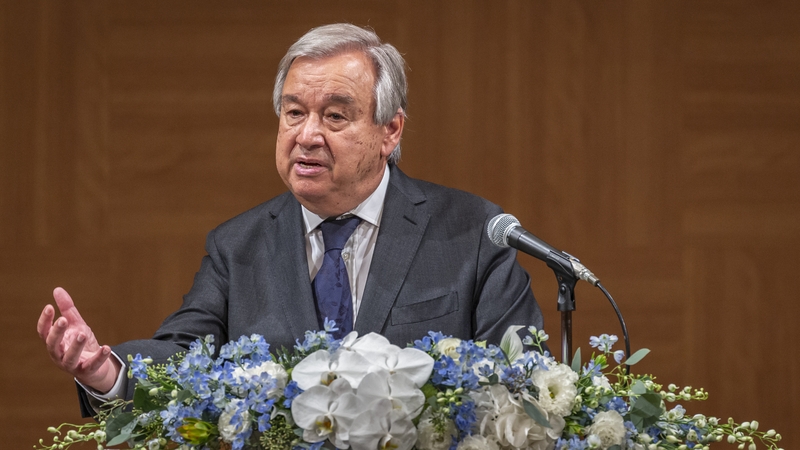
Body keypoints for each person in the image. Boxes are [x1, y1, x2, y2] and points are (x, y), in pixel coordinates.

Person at [36, 23, 545, 416]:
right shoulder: (239, 245)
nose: (307, 135)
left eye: (335, 116)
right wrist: (107, 371)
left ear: (390, 131)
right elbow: (184, 352)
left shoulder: (472, 231)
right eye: (294, 112)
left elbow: (524, 385)